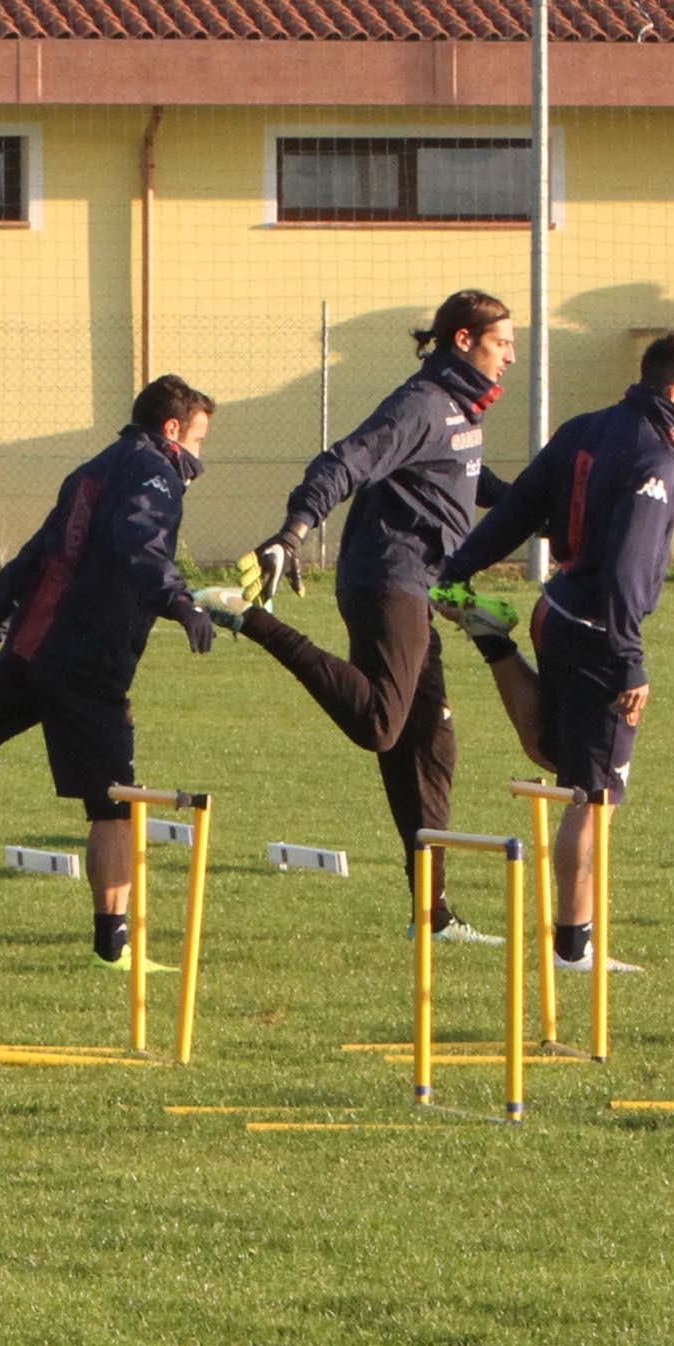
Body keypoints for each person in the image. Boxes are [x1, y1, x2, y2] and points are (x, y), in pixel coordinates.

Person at [431, 331, 674, 973]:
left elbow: (517, 507)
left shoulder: (583, 429)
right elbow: (626, 566)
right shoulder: (656, 459)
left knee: (556, 753)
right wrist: (630, 659)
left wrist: (458, 570)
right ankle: (575, 948)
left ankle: (495, 645)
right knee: (593, 796)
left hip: (556, 610)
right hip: (601, 629)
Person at [221, 290, 513, 938]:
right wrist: (291, 533)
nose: (510, 357)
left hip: (420, 586)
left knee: (429, 743)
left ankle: (431, 916)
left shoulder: (459, 408)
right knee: (382, 725)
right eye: (501, 344)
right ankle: (252, 619)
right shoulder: (421, 404)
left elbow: (465, 476)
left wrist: (535, 504)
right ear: (462, 342)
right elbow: (342, 461)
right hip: (387, 581)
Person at [0, 378, 218, 962]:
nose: (201, 457)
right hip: (87, 661)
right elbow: (142, 545)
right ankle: (115, 944)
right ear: (173, 431)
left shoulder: (90, 469)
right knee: (115, 804)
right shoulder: (155, 474)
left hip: (32, 647)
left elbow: (38, 554)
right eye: (200, 440)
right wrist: (181, 604)